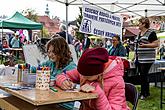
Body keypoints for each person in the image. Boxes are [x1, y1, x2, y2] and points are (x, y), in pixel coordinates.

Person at [56, 47, 130, 110]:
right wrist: (63, 81)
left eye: (87, 77)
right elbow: (63, 75)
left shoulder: (117, 82)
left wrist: (98, 93)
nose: (83, 78)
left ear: (99, 73)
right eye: (81, 75)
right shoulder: (85, 71)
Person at [41, 35, 77, 110]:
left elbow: (69, 83)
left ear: (61, 51)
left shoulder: (71, 66)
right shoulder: (50, 63)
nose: (50, 55)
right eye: (49, 52)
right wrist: (29, 67)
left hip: (64, 105)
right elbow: (39, 68)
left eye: (53, 52)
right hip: (51, 101)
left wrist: (50, 79)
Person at [134, 17, 158, 99]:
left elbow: (156, 44)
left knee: (144, 75)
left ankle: (145, 94)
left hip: (148, 58)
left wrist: (145, 45)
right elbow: (137, 45)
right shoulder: (139, 33)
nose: (138, 24)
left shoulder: (151, 33)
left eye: (139, 23)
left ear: (144, 24)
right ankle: (144, 92)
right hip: (140, 58)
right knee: (142, 75)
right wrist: (135, 55)